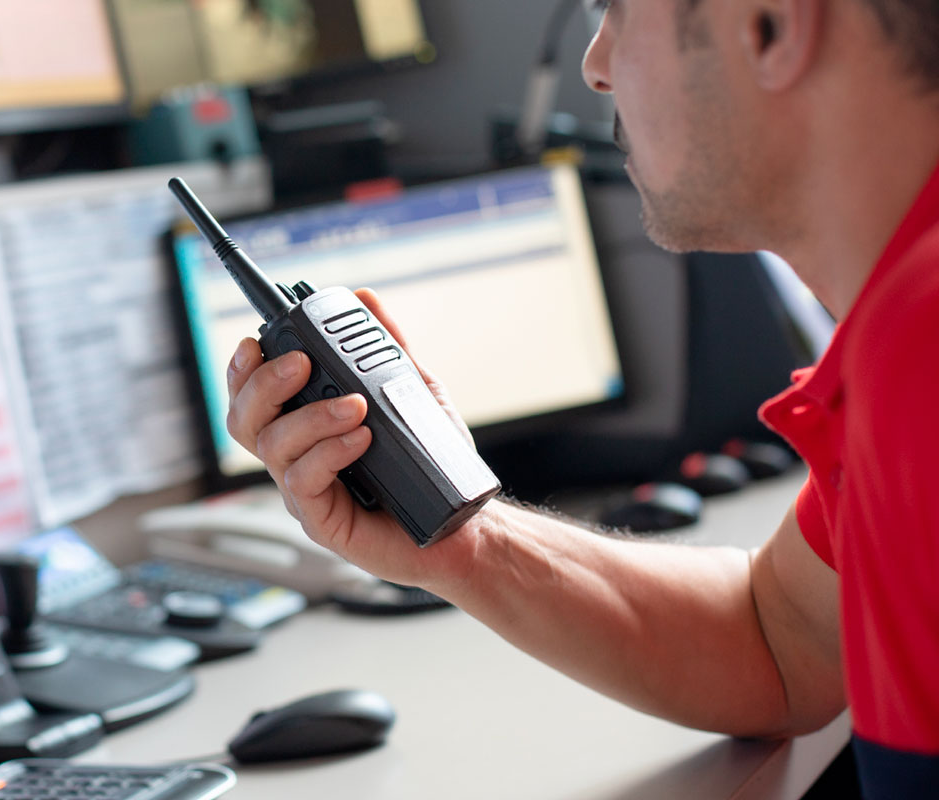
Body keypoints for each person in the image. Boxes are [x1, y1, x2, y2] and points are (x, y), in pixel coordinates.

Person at [223, 0, 939, 796]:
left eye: (619, 12)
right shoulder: (894, 343)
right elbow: (783, 640)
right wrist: (467, 539)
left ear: (770, 25)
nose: (596, 65)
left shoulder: (923, 346)